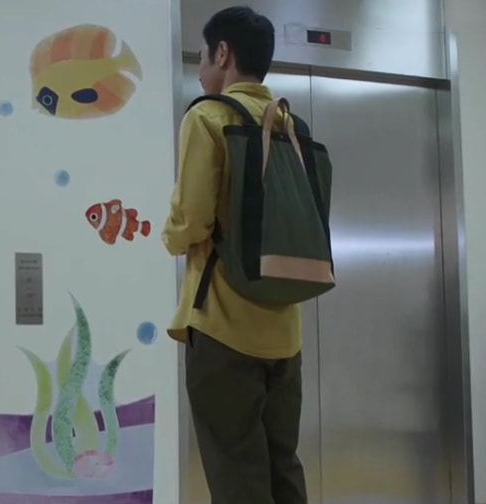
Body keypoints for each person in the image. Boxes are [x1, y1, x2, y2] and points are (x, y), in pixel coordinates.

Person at [162, 6, 308, 504]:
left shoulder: (207, 116)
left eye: (203, 57)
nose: (202, 69)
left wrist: (171, 237)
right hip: (285, 332)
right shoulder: (289, 124)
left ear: (223, 53)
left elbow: (192, 219)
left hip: (224, 326)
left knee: (236, 475)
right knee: (283, 468)